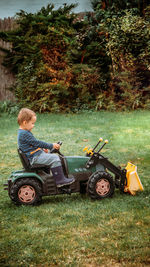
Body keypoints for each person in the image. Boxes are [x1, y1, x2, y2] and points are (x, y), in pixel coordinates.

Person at [17, 108, 75, 187]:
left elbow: (32, 145)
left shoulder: (23, 132)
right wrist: (51, 145)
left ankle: (51, 176)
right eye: (32, 123)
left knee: (50, 155)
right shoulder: (24, 134)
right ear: (25, 122)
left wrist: (42, 149)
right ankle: (60, 181)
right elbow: (37, 143)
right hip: (34, 158)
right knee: (55, 158)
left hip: (35, 155)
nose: (33, 125)